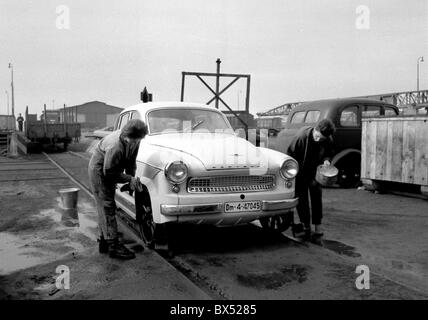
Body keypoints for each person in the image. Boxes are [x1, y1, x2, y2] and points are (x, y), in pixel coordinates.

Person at [88, 119, 148, 259]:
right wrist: (129, 179)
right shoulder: (115, 145)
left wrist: (131, 180)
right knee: (107, 206)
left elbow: (131, 162)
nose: (135, 143)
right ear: (127, 135)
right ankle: (113, 246)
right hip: (99, 171)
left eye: (137, 140)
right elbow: (108, 172)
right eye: (133, 140)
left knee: (106, 206)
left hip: (110, 169)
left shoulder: (135, 140)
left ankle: (104, 240)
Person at [286, 119, 335, 241]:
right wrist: (292, 174)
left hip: (316, 172)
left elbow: (329, 153)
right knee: (302, 199)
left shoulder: (327, 138)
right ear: (315, 130)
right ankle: (305, 226)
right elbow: (290, 155)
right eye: (318, 137)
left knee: (316, 197)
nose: (319, 140)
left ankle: (318, 226)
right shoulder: (301, 137)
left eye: (322, 139)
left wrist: (327, 159)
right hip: (300, 171)